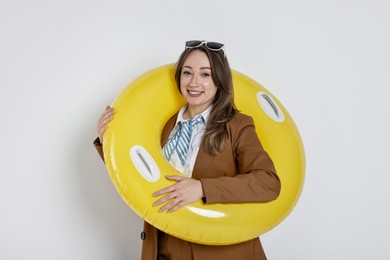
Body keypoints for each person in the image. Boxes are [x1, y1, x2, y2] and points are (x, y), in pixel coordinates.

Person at [94, 40, 281, 260]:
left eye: (205, 74)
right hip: (166, 247)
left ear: (219, 80)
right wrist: (107, 139)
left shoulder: (237, 125)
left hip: (221, 252)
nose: (194, 82)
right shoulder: (161, 126)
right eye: (187, 72)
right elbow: (137, 175)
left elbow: (269, 182)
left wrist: (203, 188)